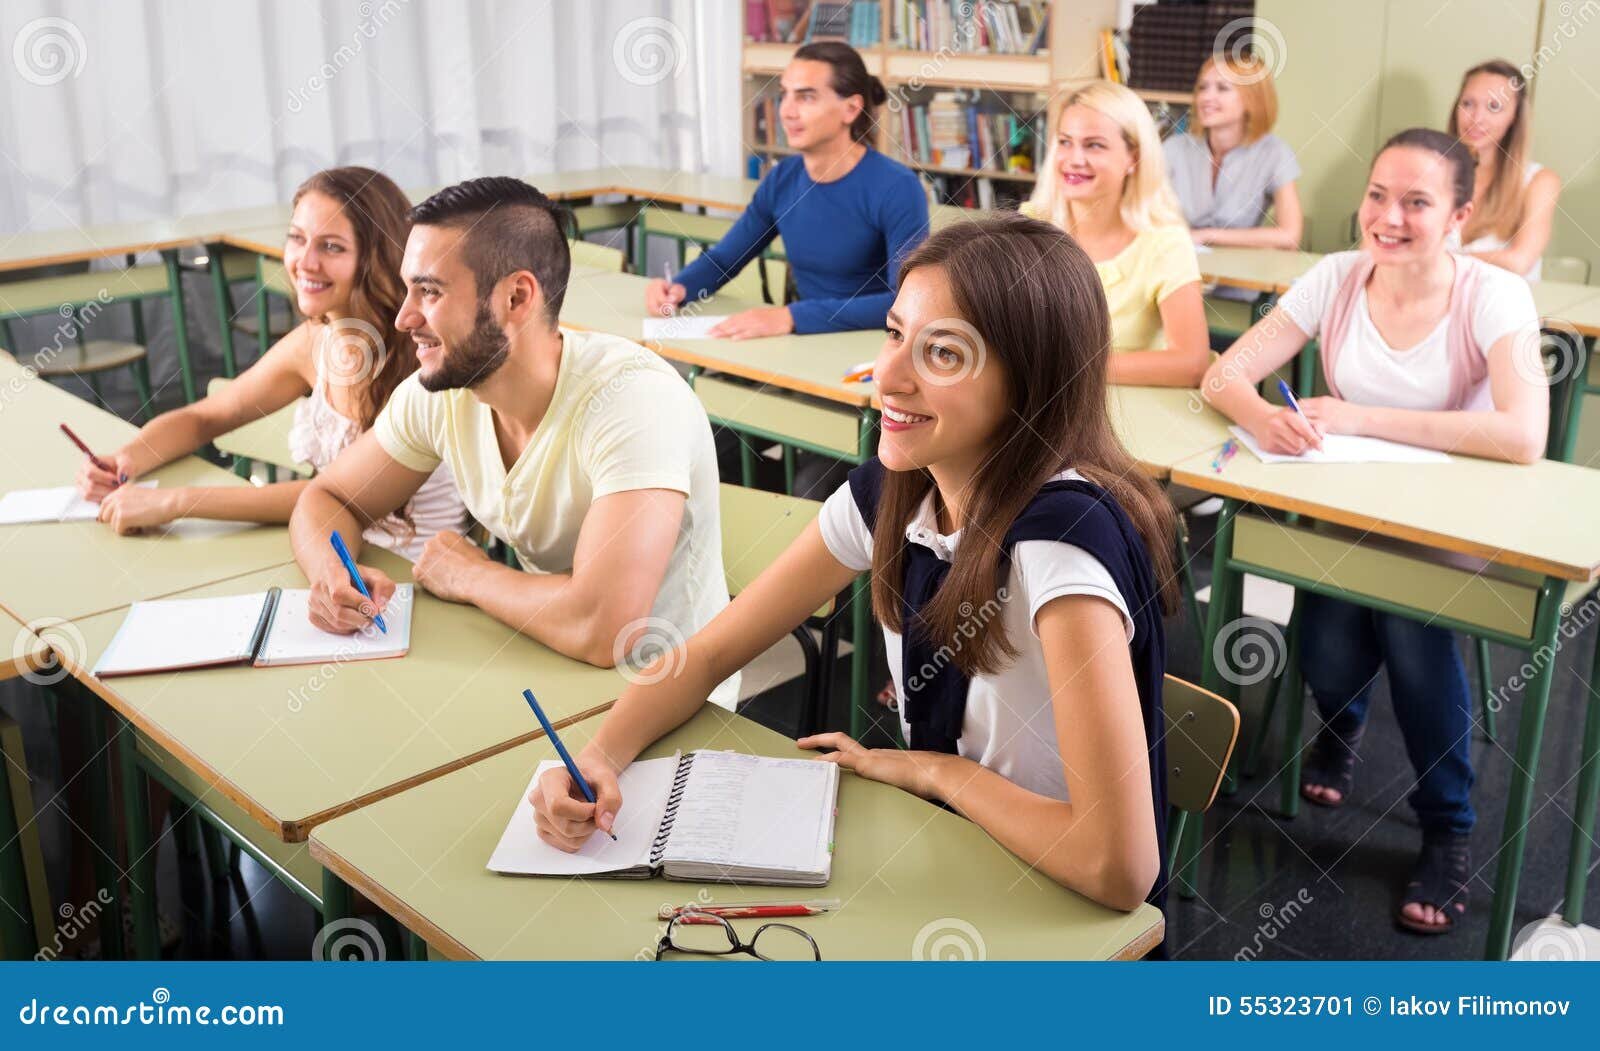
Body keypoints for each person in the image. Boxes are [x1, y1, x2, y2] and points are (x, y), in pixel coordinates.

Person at [532, 213, 1176, 919]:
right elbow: (713, 649)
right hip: (946, 856)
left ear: (1031, 380)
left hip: (1058, 917)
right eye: (896, 334)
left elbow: (1118, 867)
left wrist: (934, 771)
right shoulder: (894, 492)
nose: (888, 377)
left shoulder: (1061, 542)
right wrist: (601, 754)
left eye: (944, 354)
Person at [1201, 128, 1547, 935]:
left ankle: (1447, 825)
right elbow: (1225, 373)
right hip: (1345, 504)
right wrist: (1260, 415)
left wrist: (1358, 416)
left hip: (1446, 522)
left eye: (1418, 202)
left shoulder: (1494, 295)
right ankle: (1343, 720)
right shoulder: (1337, 276)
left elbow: (1524, 434)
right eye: (1378, 196)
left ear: (1459, 215)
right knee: (1325, 645)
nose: (1389, 217)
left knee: (1414, 640)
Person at [288, 177, 738, 706]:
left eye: (429, 291)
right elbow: (327, 499)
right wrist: (330, 574)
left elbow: (603, 627)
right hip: (543, 667)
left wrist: (471, 575)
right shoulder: (440, 389)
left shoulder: (633, 400)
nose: (403, 317)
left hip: (668, 698)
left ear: (516, 297)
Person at [78, 167, 466, 557]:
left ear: (376, 257)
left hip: (412, 571)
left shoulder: (418, 354)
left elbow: (333, 494)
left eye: (332, 247)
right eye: (297, 239)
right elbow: (206, 418)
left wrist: (176, 502)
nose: (305, 262)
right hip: (330, 554)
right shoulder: (317, 339)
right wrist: (126, 460)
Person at [644, 41, 929, 338]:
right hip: (805, 341)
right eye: (785, 95)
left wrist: (792, 316)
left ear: (851, 109)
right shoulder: (782, 178)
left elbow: (906, 302)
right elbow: (725, 259)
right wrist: (679, 288)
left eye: (806, 98)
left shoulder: (897, 186)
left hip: (872, 348)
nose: (787, 111)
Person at [1023, 81, 1208, 387]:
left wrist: (1067, 370)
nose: (1074, 159)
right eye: (1065, 142)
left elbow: (1191, 364)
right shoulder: (1030, 224)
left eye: (1094, 145)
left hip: (1125, 414)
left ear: (1134, 157)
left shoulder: (1164, 242)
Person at [1163, 52, 1302, 250]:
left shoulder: (1275, 153)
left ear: (1252, 99)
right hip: (1177, 262)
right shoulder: (1174, 149)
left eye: (1222, 88)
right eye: (1203, 87)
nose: (1206, 97)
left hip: (1238, 273)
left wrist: (1206, 236)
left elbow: (1290, 235)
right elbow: (1140, 214)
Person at [1447, 59, 1561, 281]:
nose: (1476, 118)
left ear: (1515, 117)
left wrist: (1436, 260)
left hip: (1506, 313)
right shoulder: (1432, 174)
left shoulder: (1539, 181)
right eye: (1468, 103)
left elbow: (1519, 261)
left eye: (1494, 106)